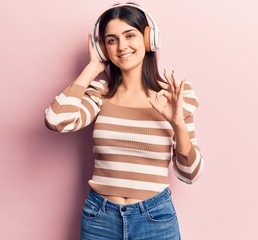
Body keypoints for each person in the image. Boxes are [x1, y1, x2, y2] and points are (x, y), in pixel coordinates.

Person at [44, 2, 204, 239]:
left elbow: (189, 174)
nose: (121, 46)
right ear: (103, 49)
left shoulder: (174, 94)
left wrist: (177, 124)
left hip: (155, 218)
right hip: (100, 218)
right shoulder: (100, 93)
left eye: (130, 35)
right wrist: (92, 67)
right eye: (111, 40)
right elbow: (56, 120)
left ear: (149, 39)